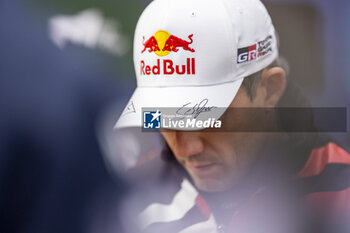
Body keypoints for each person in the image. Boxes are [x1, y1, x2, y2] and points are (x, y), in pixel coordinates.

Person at [114, 0, 350, 232]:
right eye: (163, 116)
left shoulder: (340, 201)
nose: (186, 149)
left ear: (270, 90)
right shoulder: (127, 198)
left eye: (205, 118)